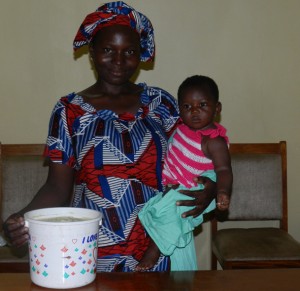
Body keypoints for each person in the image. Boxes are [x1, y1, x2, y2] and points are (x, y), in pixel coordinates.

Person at [3, 2, 217, 272]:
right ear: (91, 52)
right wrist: (22, 219)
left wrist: (211, 185)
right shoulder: (69, 112)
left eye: (129, 51)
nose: (118, 61)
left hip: (156, 248)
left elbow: (201, 151)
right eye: (107, 50)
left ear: (140, 55)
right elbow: (57, 188)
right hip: (90, 249)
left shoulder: (161, 104)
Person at [136, 75, 232, 271]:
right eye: (187, 107)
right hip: (171, 187)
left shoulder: (214, 141)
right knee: (153, 213)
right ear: (180, 110)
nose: (194, 111)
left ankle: (154, 251)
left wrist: (222, 192)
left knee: (170, 219)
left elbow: (223, 170)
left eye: (202, 105)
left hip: (190, 190)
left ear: (217, 108)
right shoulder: (181, 129)